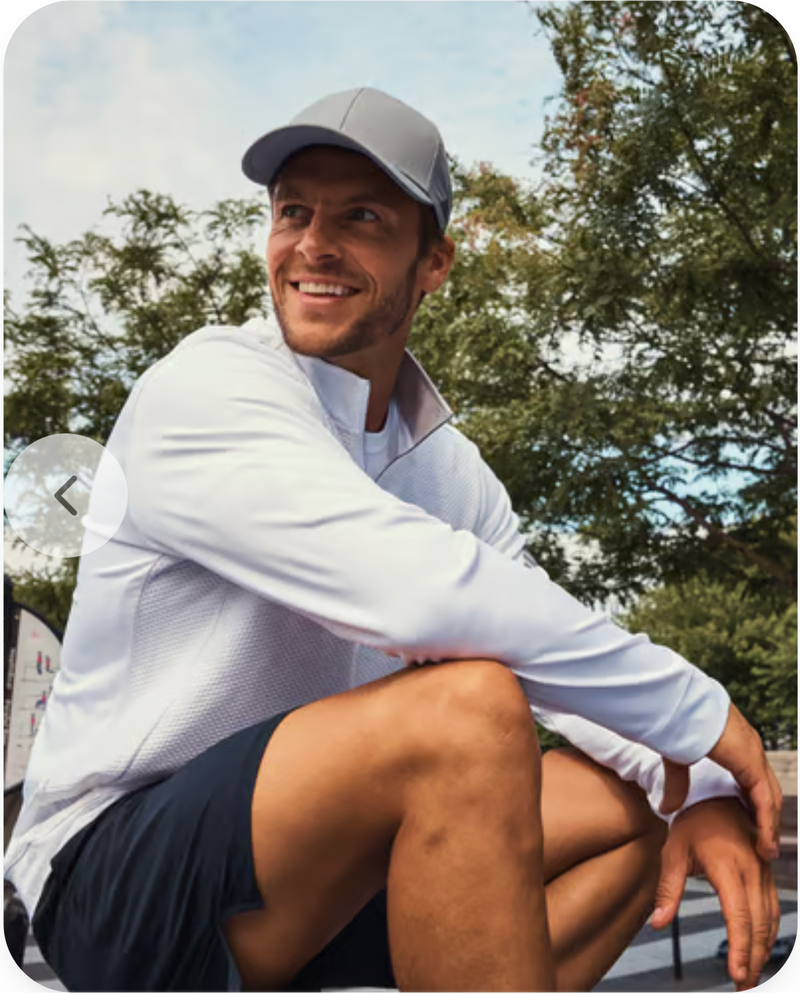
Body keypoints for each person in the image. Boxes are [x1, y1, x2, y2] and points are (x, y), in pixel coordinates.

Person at [5, 87, 782, 993]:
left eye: (362, 216)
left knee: (635, 809)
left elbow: (545, 642)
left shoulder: (447, 467)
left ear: (434, 262)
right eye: (294, 211)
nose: (313, 244)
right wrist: (702, 714)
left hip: (322, 869)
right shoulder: (205, 389)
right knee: (468, 711)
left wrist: (707, 789)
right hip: (114, 873)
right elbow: (427, 596)